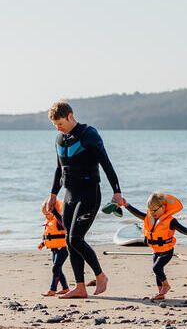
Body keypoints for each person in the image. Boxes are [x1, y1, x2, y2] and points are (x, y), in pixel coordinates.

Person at [44, 101, 126, 299]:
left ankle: (100, 276)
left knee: (75, 238)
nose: (58, 128)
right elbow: (59, 169)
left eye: (60, 123)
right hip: (70, 194)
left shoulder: (89, 134)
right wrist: (53, 195)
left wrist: (117, 192)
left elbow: (106, 163)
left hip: (89, 193)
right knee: (69, 241)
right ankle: (80, 287)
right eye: (55, 125)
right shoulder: (60, 139)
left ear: (70, 116)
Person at [124, 192, 187, 300]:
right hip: (156, 250)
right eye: (150, 210)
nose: (152, 213)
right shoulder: (150, 218)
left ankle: (166, 285)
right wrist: (127, 205)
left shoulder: (170, 220)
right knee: (158, 273)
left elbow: (180, 228)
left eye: (154, 210)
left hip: (167, 251)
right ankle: (161, 294)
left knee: (156, 268)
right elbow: (137, 213)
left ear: (163, 207)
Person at [37, 199, 70, 296]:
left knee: (56, 268)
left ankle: (52, 289)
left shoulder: (59, 220)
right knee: (58, 269)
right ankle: (65, 288)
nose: (46, 216)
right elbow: (49, 236)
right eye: (44, 215)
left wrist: (55, 212)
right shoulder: (49, 221)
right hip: (54, 249)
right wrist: (42, 243)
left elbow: (63, 225)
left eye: (47, 214)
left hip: (63, 249)